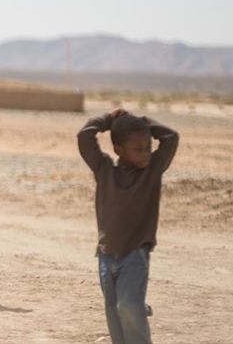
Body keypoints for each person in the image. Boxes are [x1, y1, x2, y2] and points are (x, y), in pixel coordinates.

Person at [78, 108, 179, 344]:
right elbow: (84, 136)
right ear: (118, 150)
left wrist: (140, 122)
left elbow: (171, 137)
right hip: (106, 254)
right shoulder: (104, 170)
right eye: (139, 148)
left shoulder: (153, 170)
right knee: (114, 310)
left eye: (148, 146)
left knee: (128, 306)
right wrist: (110, 120)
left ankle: (137, 307)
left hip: (135, 253)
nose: (147, 153)